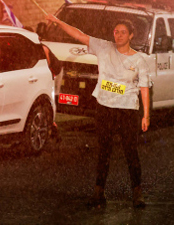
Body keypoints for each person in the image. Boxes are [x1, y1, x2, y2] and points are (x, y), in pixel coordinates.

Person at [46, 14, 150, 208]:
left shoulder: (139, 60)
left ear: (131, 36)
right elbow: (79, 35)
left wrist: (146, 115)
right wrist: (59, 22)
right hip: (104, 107)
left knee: (131, 152)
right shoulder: (103, 47)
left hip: (127, 110)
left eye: (123, 33)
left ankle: (137, 193)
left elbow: (144, 87)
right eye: (116, 32)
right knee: (104, 151)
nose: (118, 35)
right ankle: (98, 192)